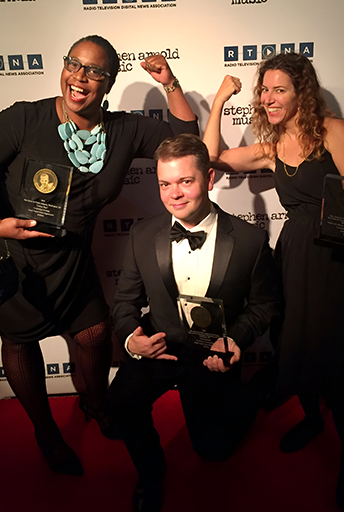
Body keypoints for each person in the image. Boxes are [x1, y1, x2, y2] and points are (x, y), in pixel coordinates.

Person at [0, 35, 198, 476]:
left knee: (93, 333)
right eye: (74, 65)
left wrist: (169, 82)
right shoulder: (25, 118)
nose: (80, 77)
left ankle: (96, 404)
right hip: (11, 248)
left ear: (109, 82)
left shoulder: (123, 130)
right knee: (20, 341)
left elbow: (185, 138)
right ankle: (46, 432)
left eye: (94, 71)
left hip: (69, 254)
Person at [203, 52, 344, 512]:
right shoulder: (273, 143)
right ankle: (310, 420)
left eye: (279, 89)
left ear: (302, 90)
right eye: (264, 90)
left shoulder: (334, 130)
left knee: (339, 362)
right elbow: (214, 158)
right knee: (295, 345)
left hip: (339, 257)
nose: (268, 98)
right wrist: (221, 100)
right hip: (295, 257)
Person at [103, 133, 280, 512]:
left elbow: (265, 304)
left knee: (215, 453)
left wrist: (237, 341)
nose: (174, 194)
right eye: (165, 184)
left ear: (209, 178)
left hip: (212, 353)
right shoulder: (142, 233)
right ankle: (151, 475)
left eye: (186, 181)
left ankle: (253, 393)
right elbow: (125, 302)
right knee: (119, 404)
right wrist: (132, 341)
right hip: (160, 346)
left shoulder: (249, 240)